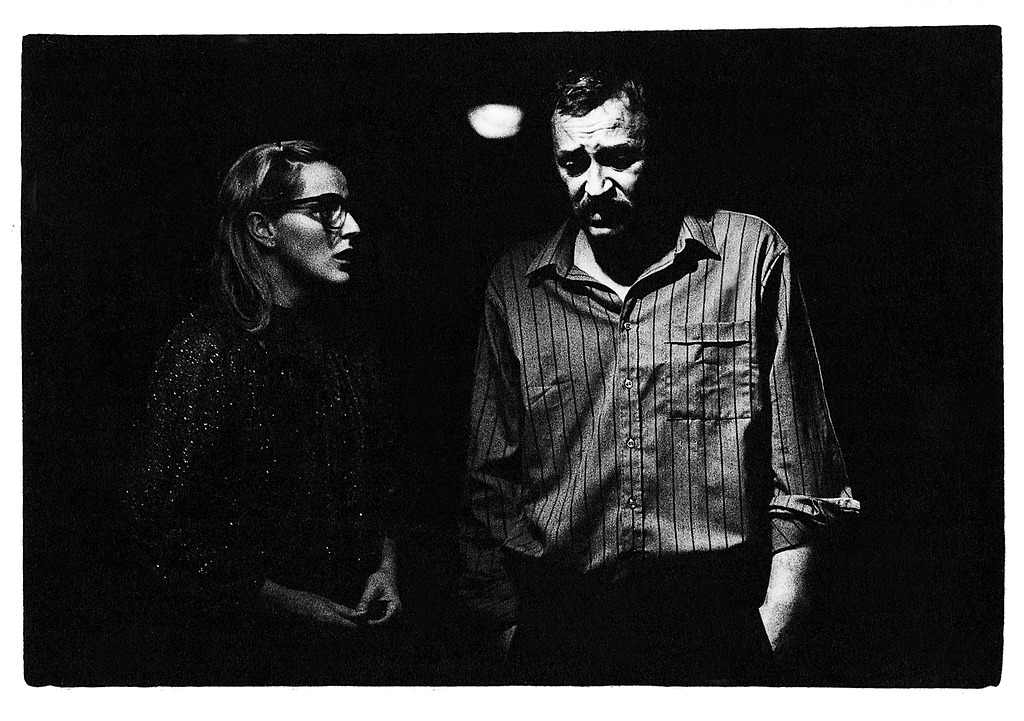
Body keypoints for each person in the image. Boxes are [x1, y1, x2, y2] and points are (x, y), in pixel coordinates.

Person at [458, 69, 860, 685]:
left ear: (657, 148)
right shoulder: (515, 285)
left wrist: (778, 620)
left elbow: (804, 463)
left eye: (618, 158)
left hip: (716, 620)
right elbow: (490, 476)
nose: (595, 185)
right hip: (564, 626)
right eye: (573, 163)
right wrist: (507, 631)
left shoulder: (749, 254)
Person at [128, 140, 403, 685]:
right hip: (245, 662)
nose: (350, 228)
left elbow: (381, 479)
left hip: (352, 651)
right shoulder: (208, 350)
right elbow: (159, 529)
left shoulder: (348, 344)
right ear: (263, 228)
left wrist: (386, 566)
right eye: (325, 210)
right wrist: (283, 602)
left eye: (346, 208)